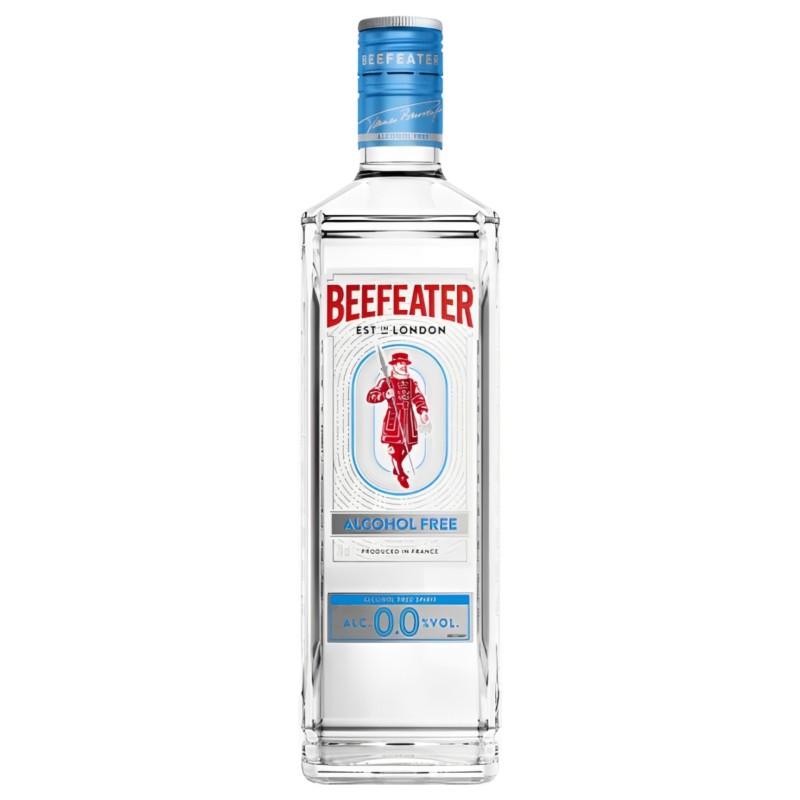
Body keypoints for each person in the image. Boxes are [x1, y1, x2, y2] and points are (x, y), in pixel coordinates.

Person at [366, 352, 429, 488]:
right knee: (394, 449)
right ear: (394, 365)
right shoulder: (385, 382)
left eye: (405, 363)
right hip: (393, 419)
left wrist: (423, 411)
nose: (403, 366)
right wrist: (385, 394)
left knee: (408, 446)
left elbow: (418, 397)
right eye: (400, 363)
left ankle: (397, 465)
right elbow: (371, 396)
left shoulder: (411, 382)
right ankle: (401, 474)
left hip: (409, 420)